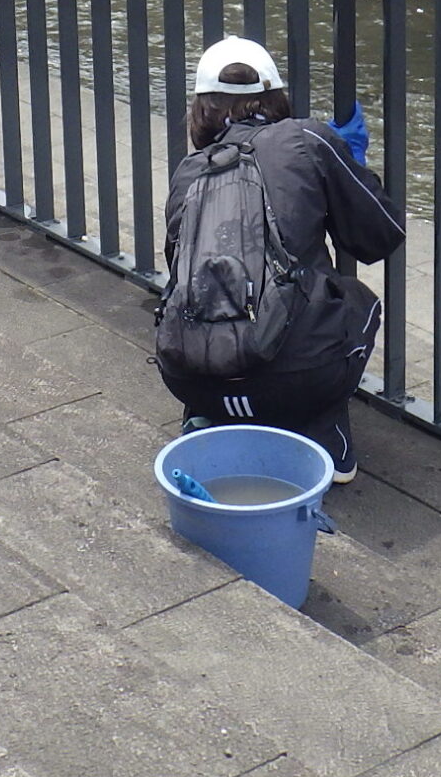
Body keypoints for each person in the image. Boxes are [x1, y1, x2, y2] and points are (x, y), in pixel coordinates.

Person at [157, 37, 403, 484]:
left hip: (190, 377)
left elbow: (180, 273)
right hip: (300, 379)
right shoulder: (306, 138)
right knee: (358, 303)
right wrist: (348, 163)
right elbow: (380, 236)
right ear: (274, 98)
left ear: (200, 110)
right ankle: (325, 435)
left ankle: (213, 418)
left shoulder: (188, 171)